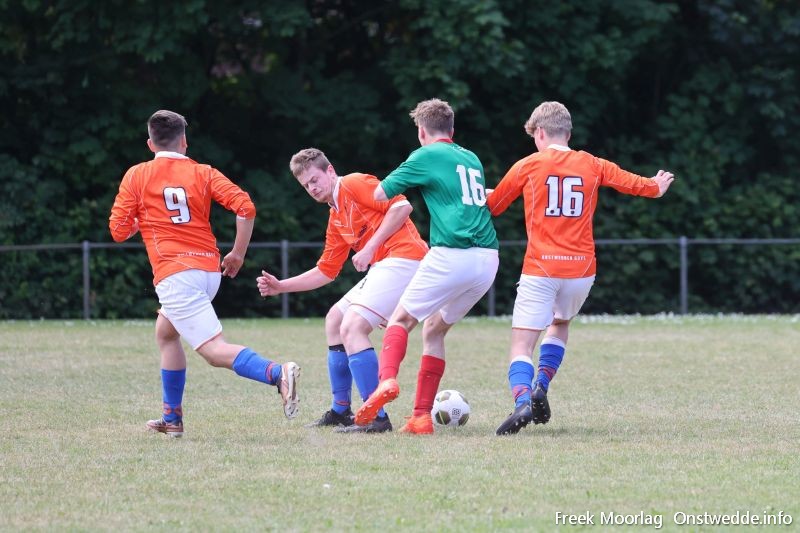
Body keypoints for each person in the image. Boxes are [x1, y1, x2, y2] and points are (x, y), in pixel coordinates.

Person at [109, 109, 301, 438]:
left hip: (175, 274)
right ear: (184, 141)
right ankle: (172, 418)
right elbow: (246, 207)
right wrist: (237, 254)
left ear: (150, 144)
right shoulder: (203, 172)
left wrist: (140, 223)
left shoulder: (137, 175)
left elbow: (118, 230)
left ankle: (277, 373)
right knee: (166, 333)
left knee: (213, 351)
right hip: (208, 272)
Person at [488, 101, 675, 435]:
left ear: (540, 133)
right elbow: (634, 183)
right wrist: (655, 186)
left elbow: (495, 206)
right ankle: (542, 384)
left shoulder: (528, 165)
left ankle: (522, 401)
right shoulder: (592, 163)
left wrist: (484, 194)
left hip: (541, 267)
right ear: (568, 134)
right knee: (559, 323)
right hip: (581, 270)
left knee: (521, 345)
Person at [353, 98, 499, 435]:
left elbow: (380, 193)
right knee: (433, 330)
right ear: (452, 130)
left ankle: (386, 381)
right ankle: (420, 417)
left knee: (400, 320)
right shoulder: (471, 157)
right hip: (487, 260)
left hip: (452, 253)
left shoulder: (425, 155)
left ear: (421, 131)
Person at [256, 148, 428, 433]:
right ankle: (341, 411)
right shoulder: (335, 216)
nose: (312, 188)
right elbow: (326, 271)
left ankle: (376, 417)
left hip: (405, 259)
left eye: (315, 179)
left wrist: (370, 247)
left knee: (352, 326)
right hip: (386, 265)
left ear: (330, 171)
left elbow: (402, 207)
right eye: (306, 185)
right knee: (335, 320)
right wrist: (281, 287)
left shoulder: (353, 183)